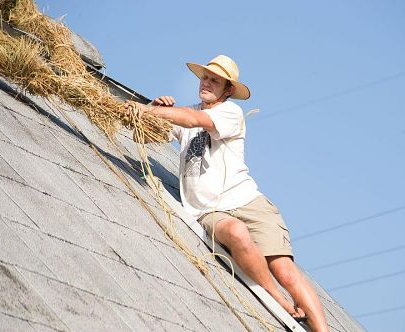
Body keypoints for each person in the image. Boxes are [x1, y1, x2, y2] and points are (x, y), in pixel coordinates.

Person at [131, 55, 329, 332]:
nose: (207, 83)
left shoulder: (229, 112)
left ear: (227, 90)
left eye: (215, 81)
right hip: (209, 211)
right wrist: (154, 107)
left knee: (284, 268)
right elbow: (145, 136)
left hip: (248, 201)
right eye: (205, 77)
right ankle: (278, 300)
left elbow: (194, 120)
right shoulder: (184, 113)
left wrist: (147, 111)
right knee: (235, 232)